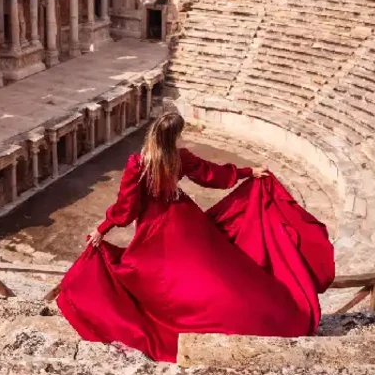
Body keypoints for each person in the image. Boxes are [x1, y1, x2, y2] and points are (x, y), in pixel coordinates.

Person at [57, 112, 335, 363]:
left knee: (152, 278)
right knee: (209, 271)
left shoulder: (139, 164)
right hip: (185, 220)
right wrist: (247, 172)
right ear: (175, 136)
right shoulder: (181, 157)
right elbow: (212, 175)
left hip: (155, 227)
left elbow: (127, 207)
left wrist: (102, 229)